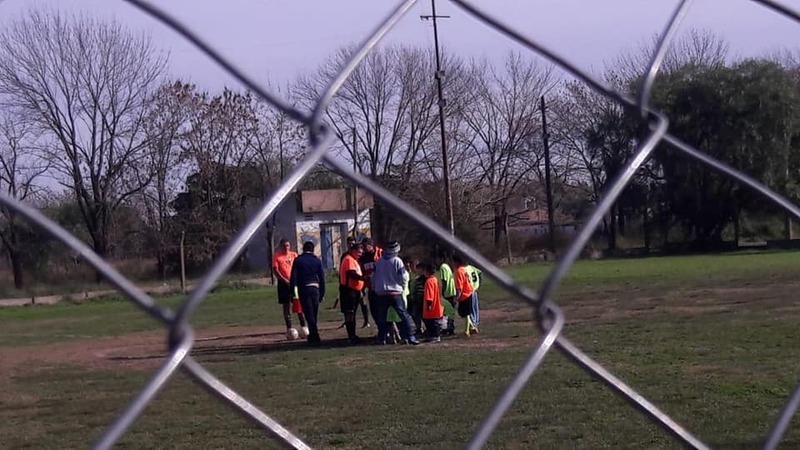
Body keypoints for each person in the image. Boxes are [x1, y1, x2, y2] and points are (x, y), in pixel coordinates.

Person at [372, 240, 419, 345]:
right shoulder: (397, 261)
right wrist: (402, 287)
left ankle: (381, 338)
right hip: (395, 292)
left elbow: (373, 277)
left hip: (381, 293)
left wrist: (376, 288)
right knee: (404, 315)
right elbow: (403, 276)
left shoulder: (378, 262)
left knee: (382, 317)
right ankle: (410, 336)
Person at [290, 241, 326, 345]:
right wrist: (322, 293)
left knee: (309, 314)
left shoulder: (298, 260)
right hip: (315, 289)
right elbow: (322, 279)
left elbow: (294, 278)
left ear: (303, 249)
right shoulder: (317, 261)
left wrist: (293, 293)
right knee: (313, 313)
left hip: (304, 289)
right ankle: (313, 335)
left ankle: (314, 336)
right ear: (313, 249)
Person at [272, 238, 308, 336]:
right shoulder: (277, 256)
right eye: (284, 246)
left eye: (287, 245)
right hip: (283, 284)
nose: (286, 248)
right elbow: (276, 270)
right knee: (286, 305)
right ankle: (289, 327)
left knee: (298, 303)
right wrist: (284, 280)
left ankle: (303, 325)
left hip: (294, 283)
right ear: (280, 246)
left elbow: (299, 267)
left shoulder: (294, 255)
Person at [339, 243, 366, 344]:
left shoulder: (354, 260)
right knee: (350, 313)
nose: (360, 254)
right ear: (353, 250)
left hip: (354, 290)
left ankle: (353, 335)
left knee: (352, 313)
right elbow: (352, 274)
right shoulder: (348, 259)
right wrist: (363, 278)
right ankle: (351, 336)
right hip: (348, 291)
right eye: (359, 252)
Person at [452, 253, 479, 337]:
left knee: (464, 313)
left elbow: (459, 287)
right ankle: (472, 327)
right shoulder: (464, 269)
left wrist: (457, 297)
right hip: (470, 292)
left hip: (465, 294)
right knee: (465, 312)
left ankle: (467, 331)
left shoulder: (458, 271)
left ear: (456, 262)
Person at [359, 238, 382, 328]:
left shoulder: (380, 254)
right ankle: (380, 328)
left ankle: (388, 331)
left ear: (371, 245)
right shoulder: (363, 258)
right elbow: (362, 272)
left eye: (365, 246)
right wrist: (363, 287)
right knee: (374, 310)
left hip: (381, 287)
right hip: (371, 287)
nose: (364, 249)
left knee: (383, 310)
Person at [420, 262, 443, 343]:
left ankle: (435, 336)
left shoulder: (429, 281)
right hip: (437, 304)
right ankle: (433, 335)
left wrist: (429, 305)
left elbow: (430, 294)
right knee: (434, 322)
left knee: (431, 322)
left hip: (431, 306)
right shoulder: (435, 279)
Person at [435, 250, 456, 336]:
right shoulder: (447, 266)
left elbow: (444, 280)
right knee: (450, 311)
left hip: (448, 292)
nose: (436, 261)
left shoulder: (443, 267)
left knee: (445, 312)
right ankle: (450, 328)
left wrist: (442, 292)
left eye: (437, 259)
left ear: (440, 259)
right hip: (452, 291)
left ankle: (447, 328)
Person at [464, 263, 482, 328]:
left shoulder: (464, 269)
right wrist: (479, 284)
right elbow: (480, 272)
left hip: (469, 291)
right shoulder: (471, 267)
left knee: (471, 308)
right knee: (475, 307)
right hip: (475, 290)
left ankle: (473, 324)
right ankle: (475, 322)